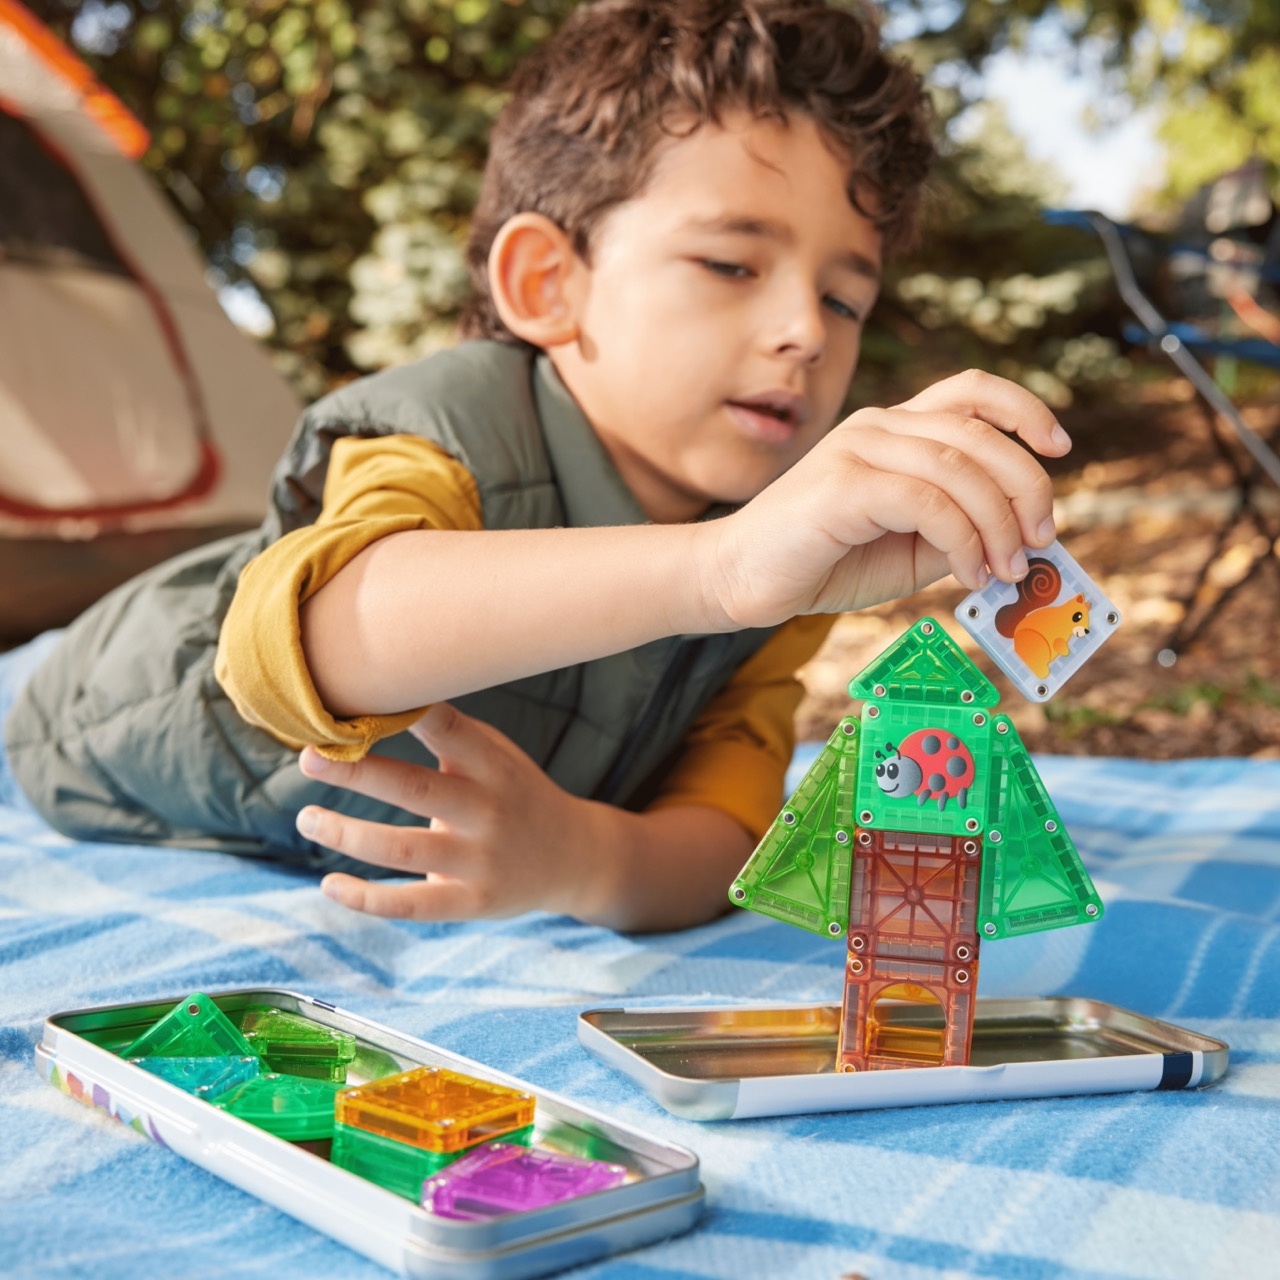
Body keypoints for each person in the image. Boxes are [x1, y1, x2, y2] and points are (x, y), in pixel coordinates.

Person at [3, 0, 1069, 933]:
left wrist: (583, 858)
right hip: (98, 722)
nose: (804, 330)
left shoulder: (774, 565)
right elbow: (312, 640)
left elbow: (724, 834)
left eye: (844, 298)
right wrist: (717, 567)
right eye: (729, 263)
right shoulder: (450, 430)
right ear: (546, 284)